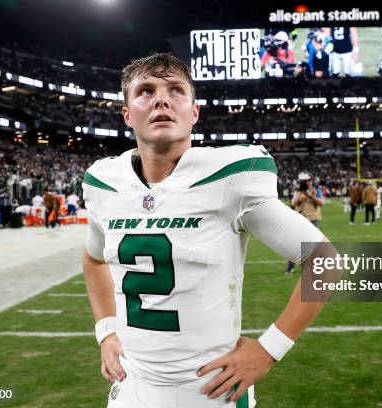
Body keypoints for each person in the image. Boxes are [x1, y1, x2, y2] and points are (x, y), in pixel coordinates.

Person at [82, 53, 331, 407]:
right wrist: (106, 331)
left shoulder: (231, 177)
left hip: (210, 391)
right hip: (132, 386)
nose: (161, 99)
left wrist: (269, 349)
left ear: (194, 112)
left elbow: (325, 260)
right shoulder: (104, 183)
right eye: (145, 91)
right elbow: (93, 261)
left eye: (176, 90)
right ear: (127, 114)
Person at [284, 172, 324, 275]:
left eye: (309, 180)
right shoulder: (297, 191)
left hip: (312, 219)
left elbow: (321, 202)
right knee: (295, 243)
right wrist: (299, 196)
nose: (308, 183)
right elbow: (292, 203)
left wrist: (311, 196)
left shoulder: (316, 190)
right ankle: (290, 267)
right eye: (305, 181)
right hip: (300, 219)